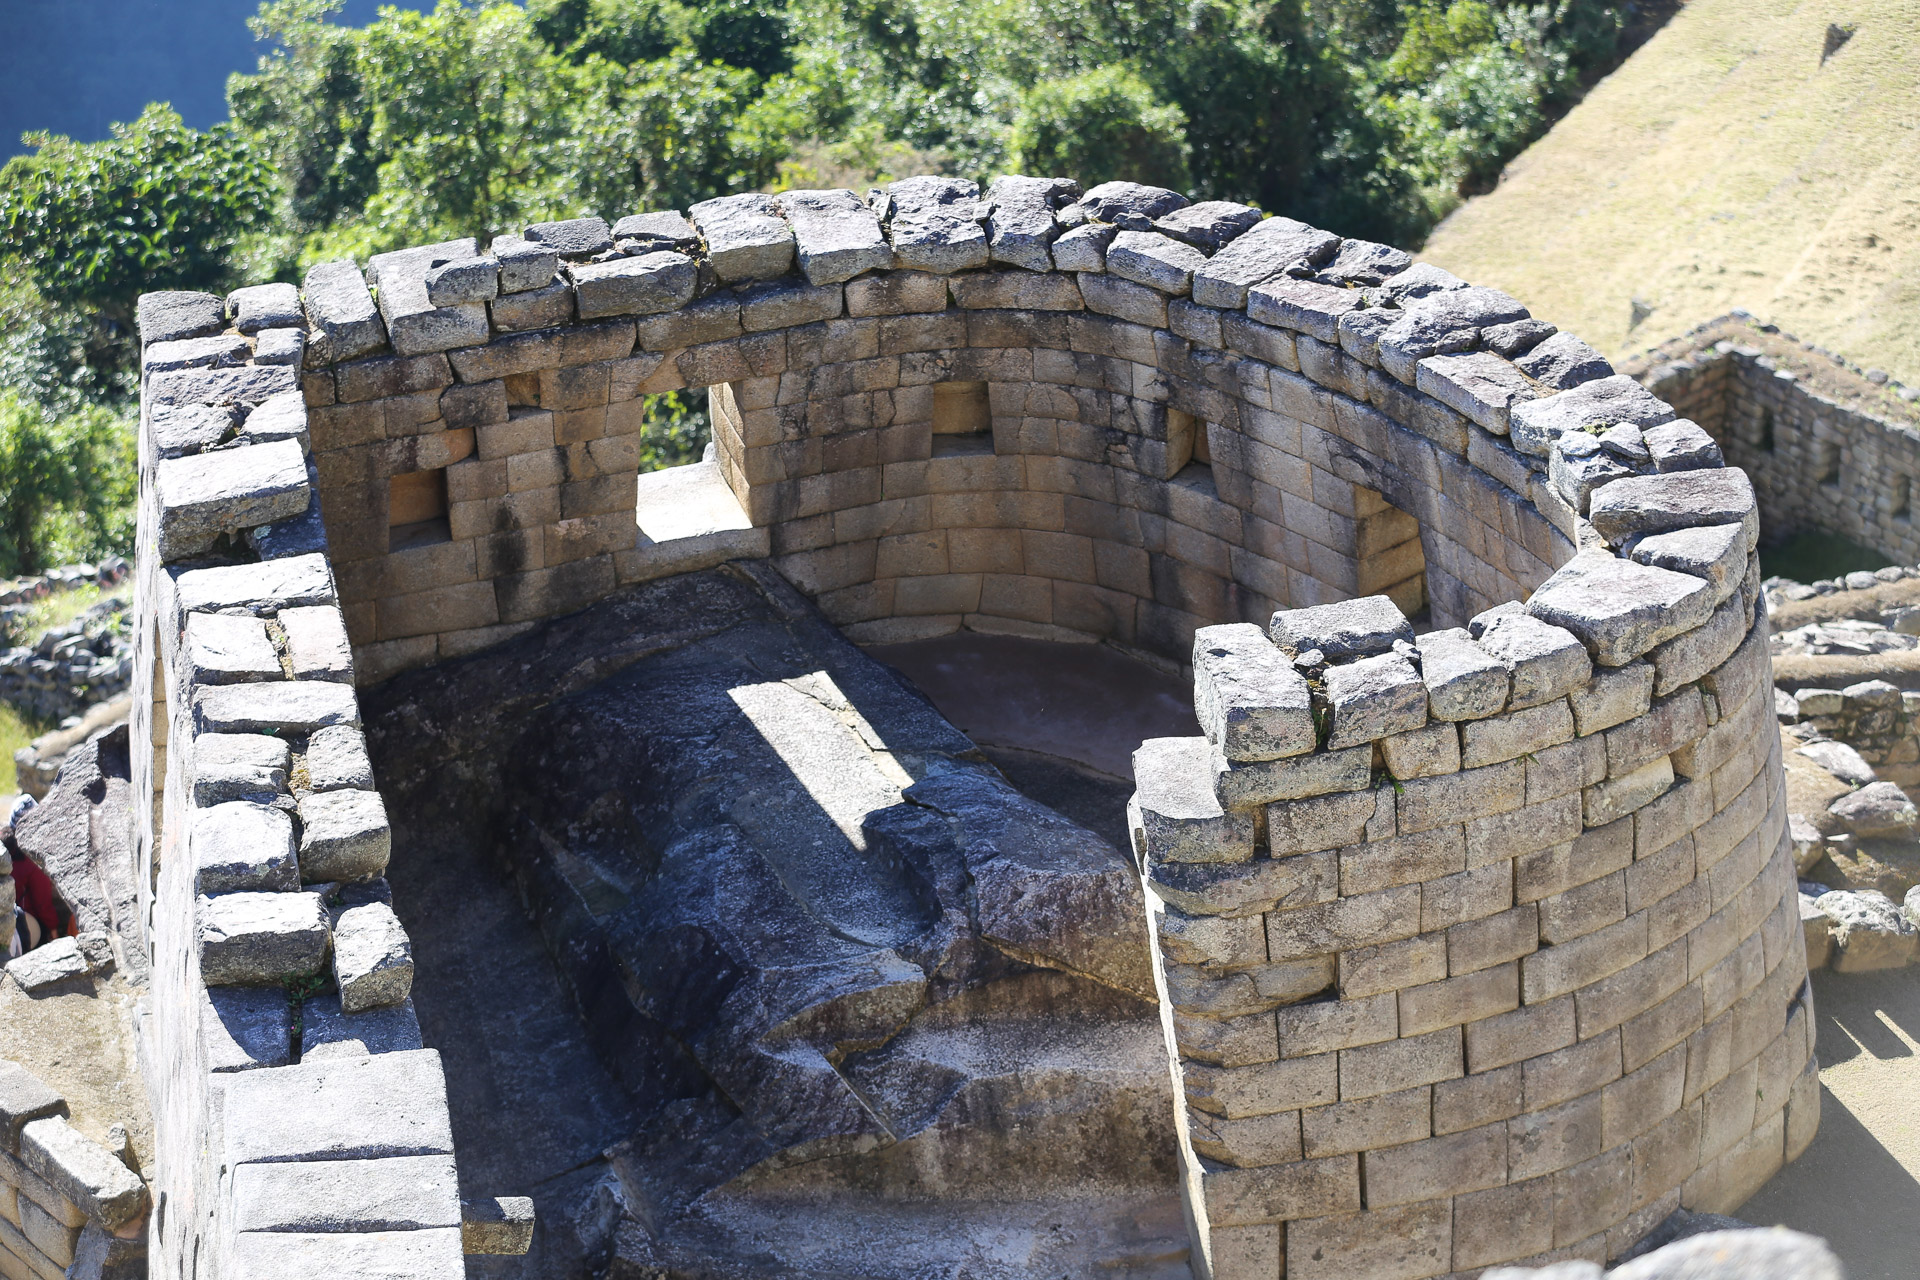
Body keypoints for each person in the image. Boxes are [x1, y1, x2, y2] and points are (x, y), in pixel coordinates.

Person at [5, 797, 71, 959]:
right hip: (23, 926)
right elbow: (43, 904)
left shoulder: (5, 851)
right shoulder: (32, 862)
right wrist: (54, 931)